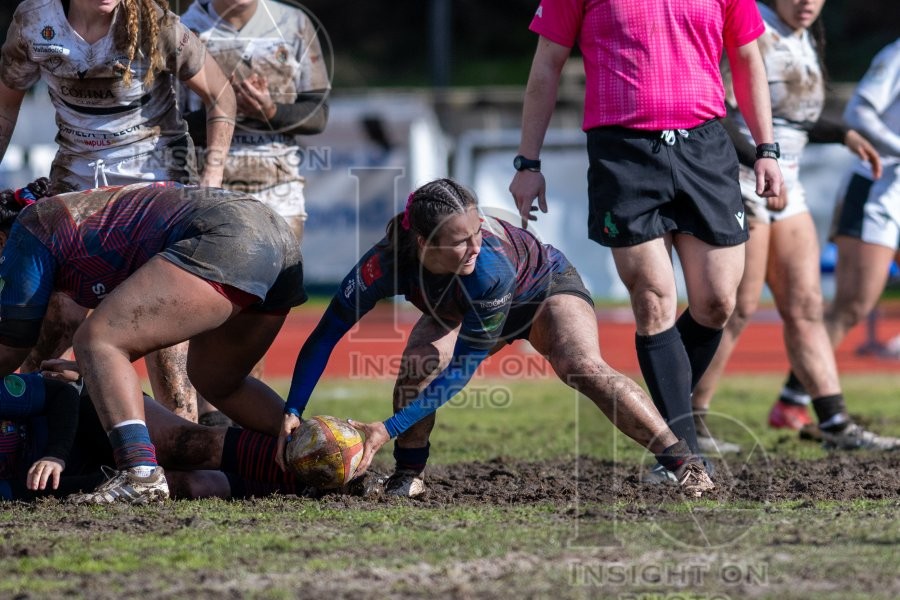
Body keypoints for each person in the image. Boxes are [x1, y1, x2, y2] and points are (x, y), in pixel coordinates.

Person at [280, 178, 716, 499]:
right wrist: (293, 408)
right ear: (421, 242)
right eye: (460, 241)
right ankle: (408, 474)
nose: (475, 245)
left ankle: (685, 464)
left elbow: (463, 368)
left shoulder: (489, 266)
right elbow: (325, 336)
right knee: (418, 363)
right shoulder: (383, 264)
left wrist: (386, 428)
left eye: (477, 233)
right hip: (458, 306)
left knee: (581, 367)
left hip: (541, 290)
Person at [507, 0, 783, 470]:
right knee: (653, 299)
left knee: (717, 300)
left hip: (705, 145)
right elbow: (547, 64)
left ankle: (660, 416)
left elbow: (747, 57)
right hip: (623, 152)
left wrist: (766, 147)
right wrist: (529, 163)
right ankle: (682, 458)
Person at [0, 0, 238, 423]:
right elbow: (5, 103)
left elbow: (222, 95)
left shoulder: (158, 25)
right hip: (76, 184)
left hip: (157, 187)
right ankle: (24, 429)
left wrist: (212, 178)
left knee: (158, 324)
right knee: (57, 313)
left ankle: (183, 447)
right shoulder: (34, 21)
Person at [0, 179, 307, 504]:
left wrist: (86, 361)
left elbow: (14, 342)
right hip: (272, 235)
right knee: (217, 380)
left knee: (95, 340)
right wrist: (87, 369)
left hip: (230, 236)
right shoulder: (62, 224)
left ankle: (140, 473)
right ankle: (327, 454)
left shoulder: (29, 229)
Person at [689, 1, 900, 453]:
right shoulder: (753, 27)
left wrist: (843, 133)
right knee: (735, 306)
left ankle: (834, 422)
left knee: (806, 305)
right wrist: (760, 162)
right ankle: (689, 419)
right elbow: (716, 113)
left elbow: (793, 119)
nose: (808, 2)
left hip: (788, 183)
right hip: (744, 180)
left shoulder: (802, 33)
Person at [179, 0, 330, 424]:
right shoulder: (184, 28)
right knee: (206, 312)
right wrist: (222, 107)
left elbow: (317, 113)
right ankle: (209, 426)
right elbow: (166, 119)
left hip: (277, 186)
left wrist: (270, 112)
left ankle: (234, 432)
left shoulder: (293, 23)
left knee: (254, 315)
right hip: (205, 183)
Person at [774, 38, 900, 435]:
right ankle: (792, 402)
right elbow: (859, 111)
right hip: (879, 188)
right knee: (852, 304)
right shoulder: (895, 53)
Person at [1, 360, 320, 501]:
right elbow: (28, 493)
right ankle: (310, 486)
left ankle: (315, 457)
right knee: (191, 486)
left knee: (183, 444)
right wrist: (104, 481)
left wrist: (54, 455)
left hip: (89, 414)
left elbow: (61, 393)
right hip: (78, 473)